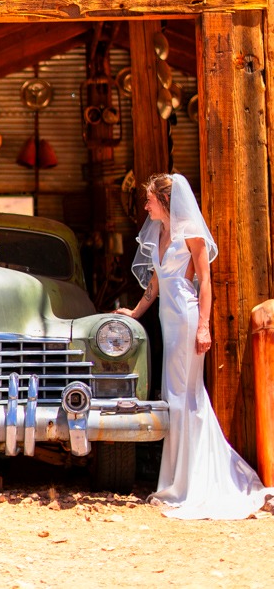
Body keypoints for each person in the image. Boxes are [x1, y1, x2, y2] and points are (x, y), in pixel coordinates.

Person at [116, 172, 272, 519]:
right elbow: (155, 283)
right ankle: (177, 481)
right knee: (174, 397)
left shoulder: (192, 234)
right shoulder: (157, 232)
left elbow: (206, 284)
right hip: (166, 321)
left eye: (150, 200)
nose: (146, 206)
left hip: (187, 318)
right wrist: (136, 311)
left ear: (165, 200)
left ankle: (192, 484)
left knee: (187, 395)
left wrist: (204, 326)